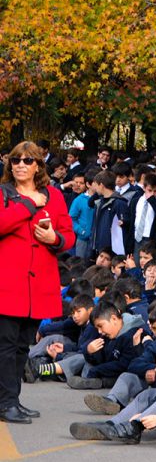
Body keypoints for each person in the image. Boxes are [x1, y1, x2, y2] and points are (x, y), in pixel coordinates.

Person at [0, 141, 75, 423]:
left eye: (27, 160)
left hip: (37, 285)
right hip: (7, 283)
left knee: (22, 346)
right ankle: (6, 402)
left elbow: (69, 234)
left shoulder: (54, 195)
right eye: (15, 160)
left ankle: (11, 400)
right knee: (5, 346)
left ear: (38, 166)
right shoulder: (3, 193)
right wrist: (29, 205)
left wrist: (54, 239)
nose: (20, 164)